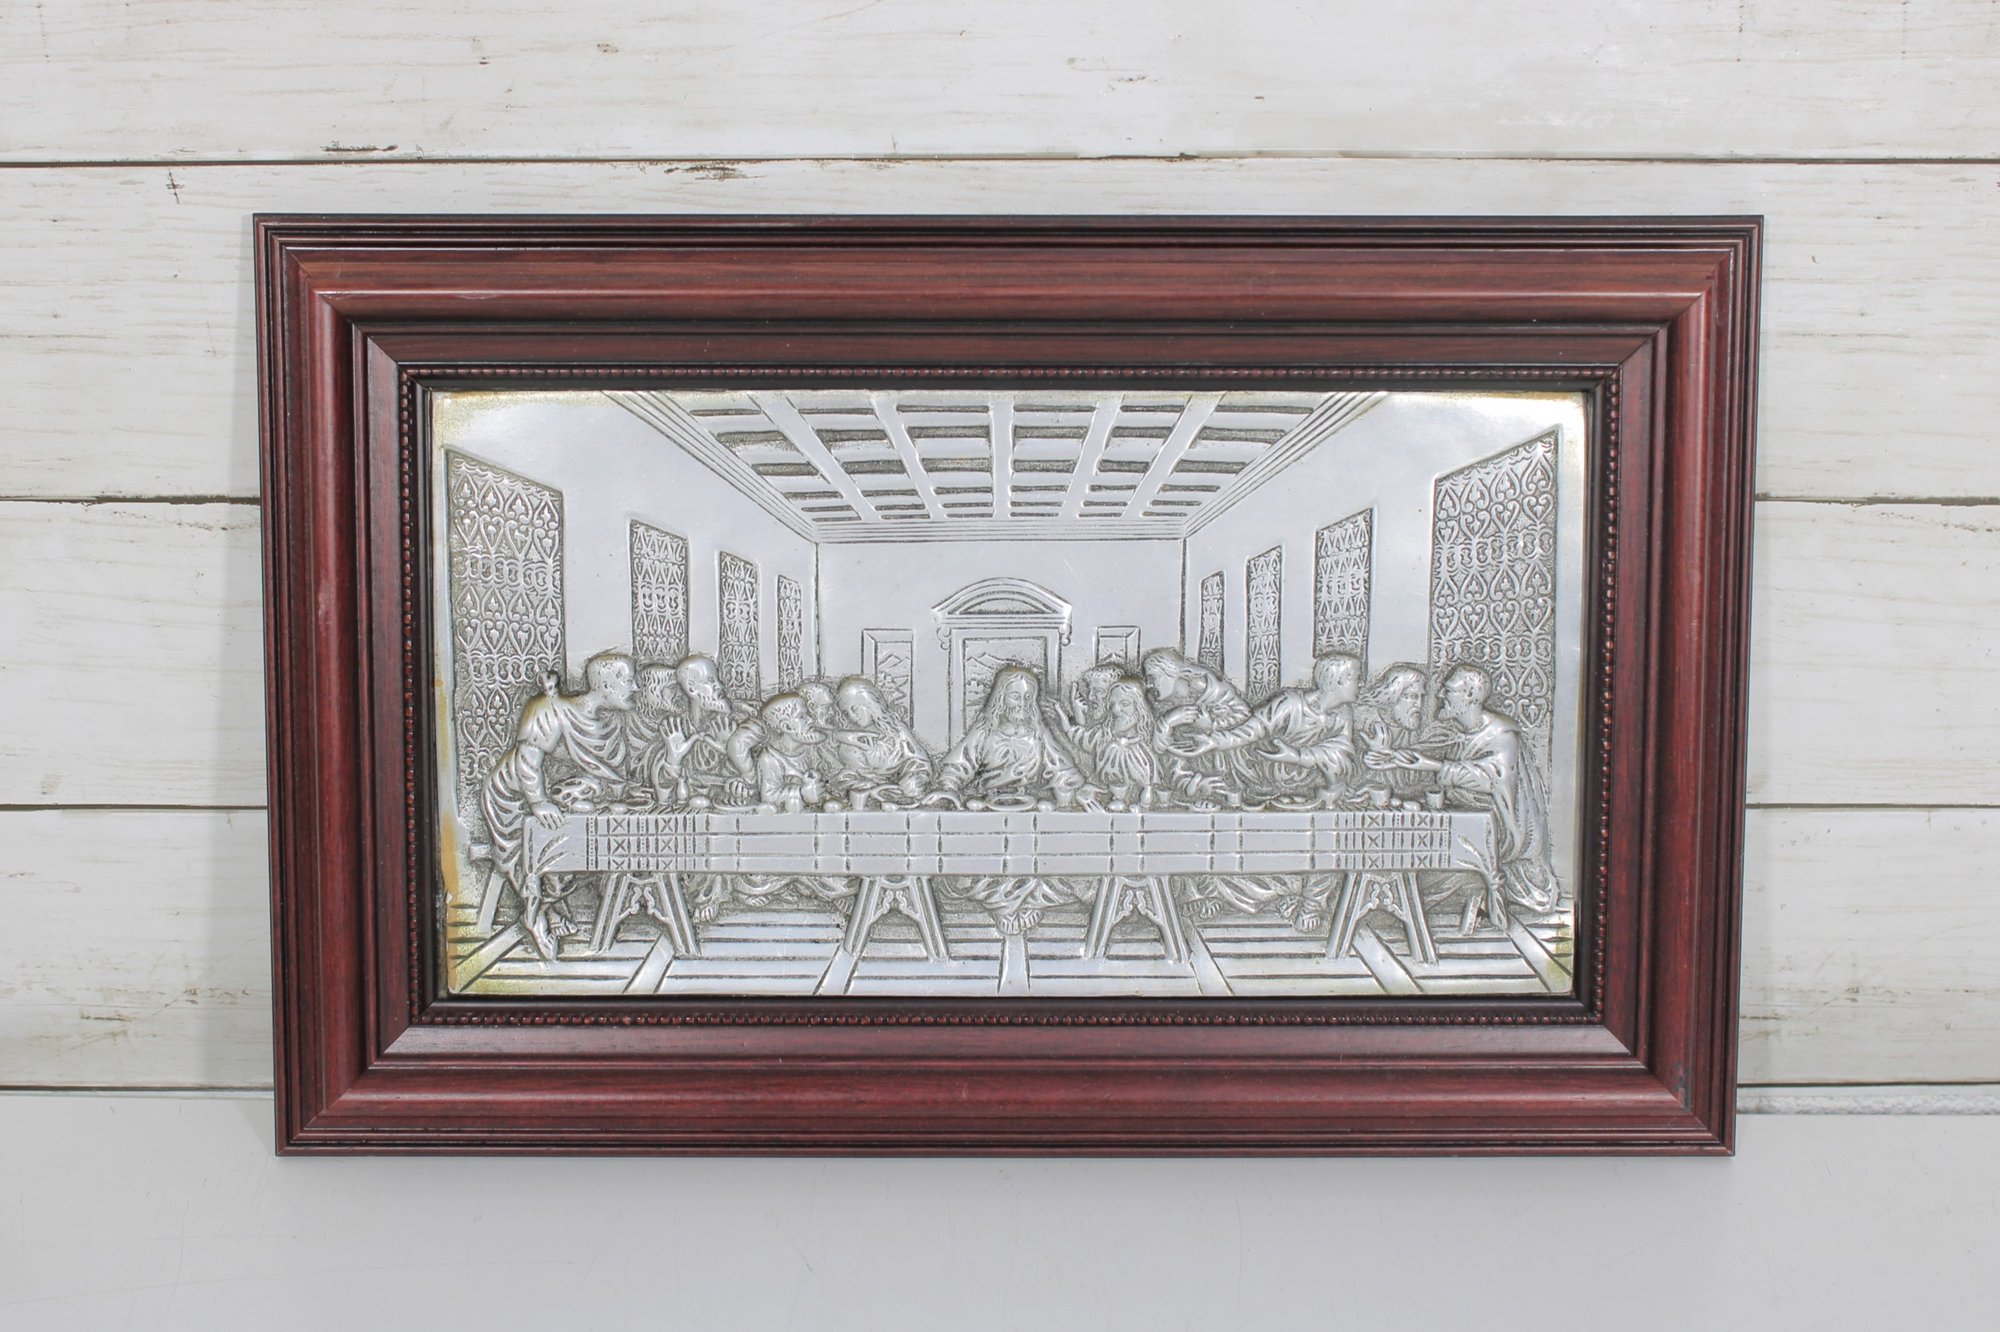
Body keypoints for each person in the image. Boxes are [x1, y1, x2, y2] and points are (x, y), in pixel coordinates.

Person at [1367, 664, 1561, 928]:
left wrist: (1432, 765)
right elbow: (1420, 759)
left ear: (1470, 696)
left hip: (1496, 832)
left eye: (1449, 691)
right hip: (1458, 820)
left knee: (1429, 874)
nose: (1441, 695)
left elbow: (1489, 777)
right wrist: (1389, 757)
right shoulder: (1453, 731)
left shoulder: (1502, 734)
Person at [479, 651, 636, 959]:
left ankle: (553, 905)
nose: (635, 687)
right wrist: (538, 802)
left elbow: (602, 774)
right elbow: (527, 761)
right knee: (552, 843)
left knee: (583, 838)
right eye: (629, 680)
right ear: (606, 685)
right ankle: (536, 914)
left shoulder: (608, 723)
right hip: (514, 799)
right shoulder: (551, 709)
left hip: (558, 797)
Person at [1169, 653, 1363, 806]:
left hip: (1305, 785)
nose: (1360, 684)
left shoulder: (1343, 714)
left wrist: (1298, 756)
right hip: (1262, 779)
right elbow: (1254, 729)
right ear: (1337, 681)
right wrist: (1215, 740)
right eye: (1355, 678)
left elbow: (1342, 751)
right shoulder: (1290, 704)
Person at [933, 665, 1085, 807]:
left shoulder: (1038, 733)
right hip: (988, 804)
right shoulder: (985, 730)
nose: (1022, 704)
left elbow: (1062, 769)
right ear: (1001, 697)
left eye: (1028, 697)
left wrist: (1074, 789)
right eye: (1015, 696)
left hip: (1028, 803)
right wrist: (949, 788)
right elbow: (959, 766)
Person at [1141, 648, 1259, 806]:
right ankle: (1193, 785)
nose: (1149, 684)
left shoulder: (1208, 688)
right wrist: (1167, 721)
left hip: (1221, 755)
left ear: (1171, 672)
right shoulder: (1157, 701)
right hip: (1185, 758)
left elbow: (1244, 715)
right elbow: (1159, 748)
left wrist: (1211, 725)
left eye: (1153, 678)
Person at [825, 675, 933, 802]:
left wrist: (917, 779)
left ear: (870, 702)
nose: (852, 716)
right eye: (846, 713)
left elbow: (918, 761)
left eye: (855, 708)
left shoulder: (897, 731)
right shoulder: (847, 743)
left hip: (897, 794)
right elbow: (841, 778)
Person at [673, 653, 755, 803]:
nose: (720, 686)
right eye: (710, 681)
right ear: (691, 688)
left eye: (717, 679)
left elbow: (757, 778)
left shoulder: (738, 724)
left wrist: (733, 749)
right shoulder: (678, 729)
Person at [1078, 677, 1160, 809]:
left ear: (1140, 708)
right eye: (1112, 704)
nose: (1115, 710)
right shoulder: (1106, 744)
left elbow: (1148, 785)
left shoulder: (1144, 758)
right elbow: (1084, 738)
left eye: (1125, 704)